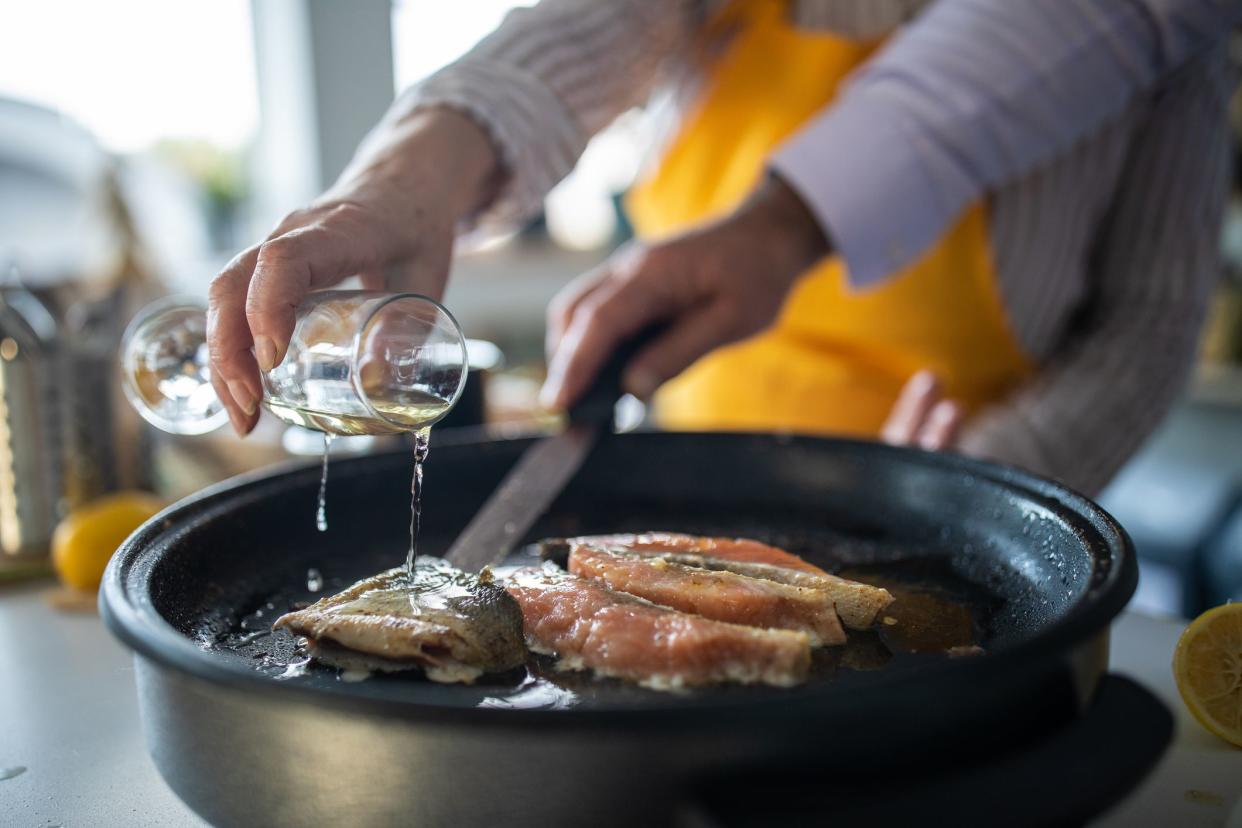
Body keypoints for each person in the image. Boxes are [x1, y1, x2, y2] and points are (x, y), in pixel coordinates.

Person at [207, 0, 1240, 494]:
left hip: (950, 496)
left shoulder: (1160, 55)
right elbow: (579, 33)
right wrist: (403, 178)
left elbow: (1149, 326)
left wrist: (990, 489)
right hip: (675, 489)